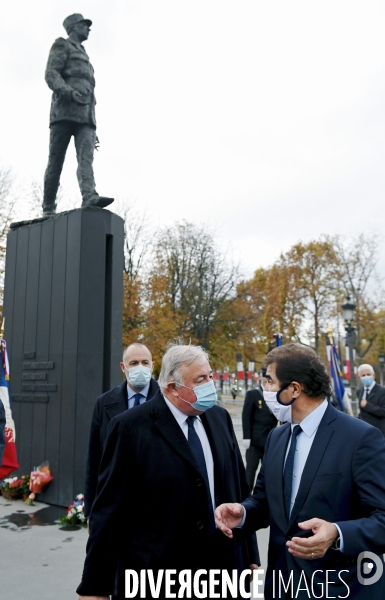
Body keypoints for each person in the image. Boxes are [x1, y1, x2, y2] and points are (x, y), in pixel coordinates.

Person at [77, 342, 259, 599]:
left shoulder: (219, 418)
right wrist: (95, 587)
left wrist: (249, 553)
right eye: (201, 379)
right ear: (173, 387)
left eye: (210, 376)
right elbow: (109, 512)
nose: (210, 384)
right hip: (158, 575)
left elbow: (238, 487)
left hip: (222, 567)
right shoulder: (130, 428)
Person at [215, 344, 385, 599]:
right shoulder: (277, 436)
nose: (265, 390)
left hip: (340, 588)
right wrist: (243, 514)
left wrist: (337, 533)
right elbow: (264, 501)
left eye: (270, 381)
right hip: (282, 586)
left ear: (294, 388)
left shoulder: (360, 438)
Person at [43, 14, 114, 216]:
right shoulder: (62, 45)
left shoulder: (85, 56)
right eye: (85, 25)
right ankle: (48, 207)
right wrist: (67, 92)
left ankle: (89, 195)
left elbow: (90, 91)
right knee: (56, 161)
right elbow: (51, 74)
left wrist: (93, 124)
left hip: (85, 115)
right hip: (64, 111)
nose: (88, 29)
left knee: (86, 158)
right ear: (74, 27)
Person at [84, 343, 159, 518]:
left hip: (156, 507)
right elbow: (94, 460)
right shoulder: (103, 403)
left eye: (145, 362)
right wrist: (91, 512)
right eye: (134, 363)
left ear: (152, 366)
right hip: (115, 506)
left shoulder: (168, 401)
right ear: (123, 367)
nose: (140, 367)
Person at [242, 384, 277, 489]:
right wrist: (246, 437)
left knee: (267, 471)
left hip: (269, 440)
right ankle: (246, 495)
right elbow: (246, 416)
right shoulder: (253, 394)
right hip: (254, 441)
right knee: (251, 471)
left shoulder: (273, 396)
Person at [357, 363, 385, 436]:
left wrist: (367, 405)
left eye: (368, 374)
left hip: (379, 432)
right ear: (359, 377)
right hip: (364, 432)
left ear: (374, 375)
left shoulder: (382, 391)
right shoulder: (360, 391)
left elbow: (383, 411)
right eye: (363, 375)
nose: (366, 377)